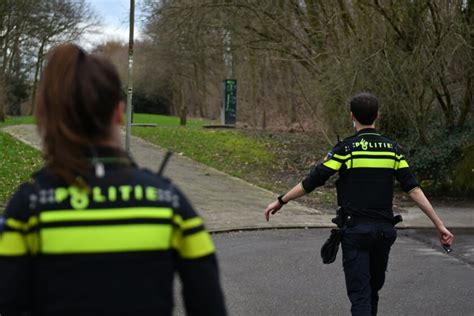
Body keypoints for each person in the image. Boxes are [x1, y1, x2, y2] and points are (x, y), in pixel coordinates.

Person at [0, 43, 227, 316]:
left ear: (50, 115)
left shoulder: (27, 208)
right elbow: (209, 305)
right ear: (119, 113)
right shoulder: (169, 203)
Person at [264, 92, 454, 316]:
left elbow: (312, 181)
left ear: (351, 116)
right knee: (372, 292)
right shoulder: (392, 150)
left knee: (360, 296)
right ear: (377, 115)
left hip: (356, 232)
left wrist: (281, 200)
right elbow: (413, 189)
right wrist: (439, 224)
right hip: (384, 232)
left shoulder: (346, 150)